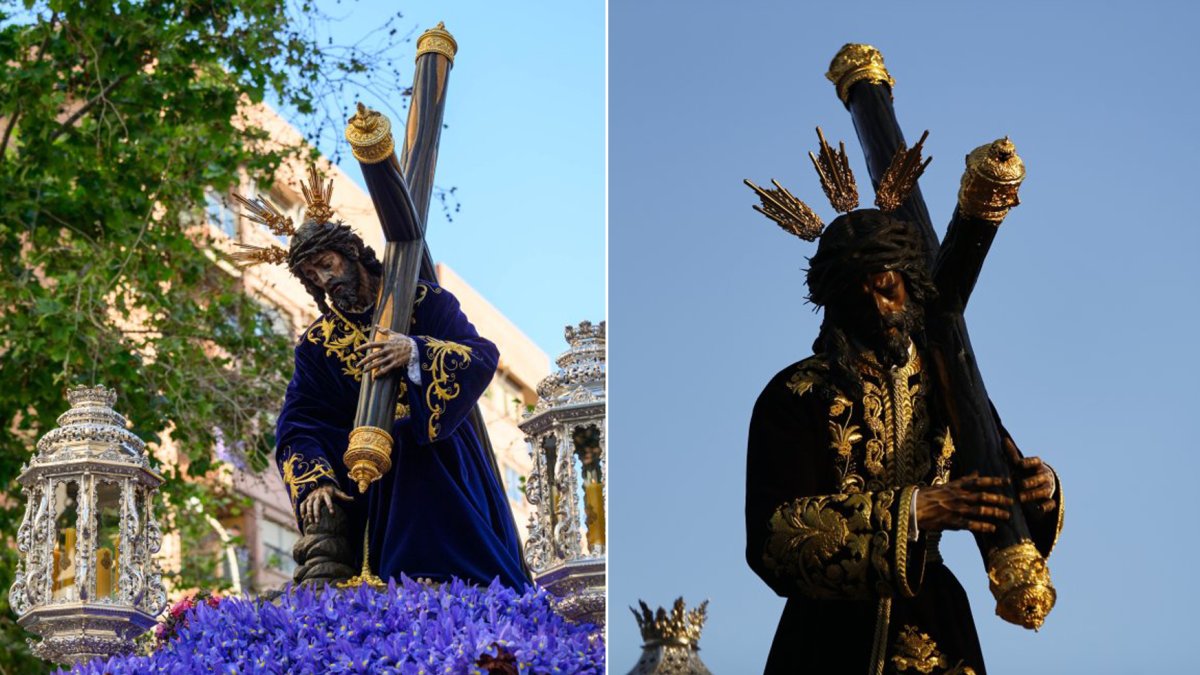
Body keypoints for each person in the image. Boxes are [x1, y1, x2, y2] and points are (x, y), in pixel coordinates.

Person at [744, 208, 1063, 674]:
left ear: (910, 282)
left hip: (935, 620)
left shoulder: (950, 386)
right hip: (829, 635)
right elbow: (772, 535)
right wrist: (914, 510)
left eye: (887, 288)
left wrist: (1039, 488)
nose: (879, 308)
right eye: (860, 295)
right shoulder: (796, 395)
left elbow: (999, 495)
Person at [238, 173, 528, 591]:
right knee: (385, 450)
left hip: (440, 448)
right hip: (368, 469)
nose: (324, 281)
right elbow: (300, 420)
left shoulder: (424, 301)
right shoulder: (318, 344)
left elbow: (481, 355)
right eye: (312, 276)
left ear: (351, 251)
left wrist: (415, 353)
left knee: (411, 438)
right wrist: (315, 477)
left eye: (327, 265)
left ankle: (449, 576)